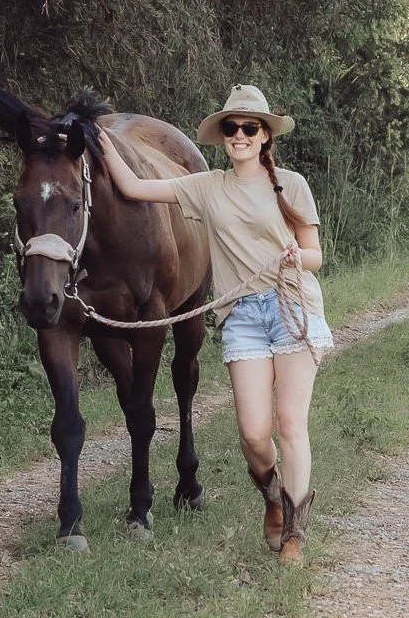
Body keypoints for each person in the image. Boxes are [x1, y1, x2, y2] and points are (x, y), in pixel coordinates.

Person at [96, 84, 333, 564]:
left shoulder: (292, 185)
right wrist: (97, 138)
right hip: (243, 315)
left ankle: (294, 533)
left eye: (250, 127)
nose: (240, 135)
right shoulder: (206, 187)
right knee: (252, 433)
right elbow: (133, 188)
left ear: (266, 136)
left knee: (290, 423)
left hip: (292, 306)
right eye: (232, 128)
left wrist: (294, 255)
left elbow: (316, 255)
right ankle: (270, 492)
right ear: (222, 137)